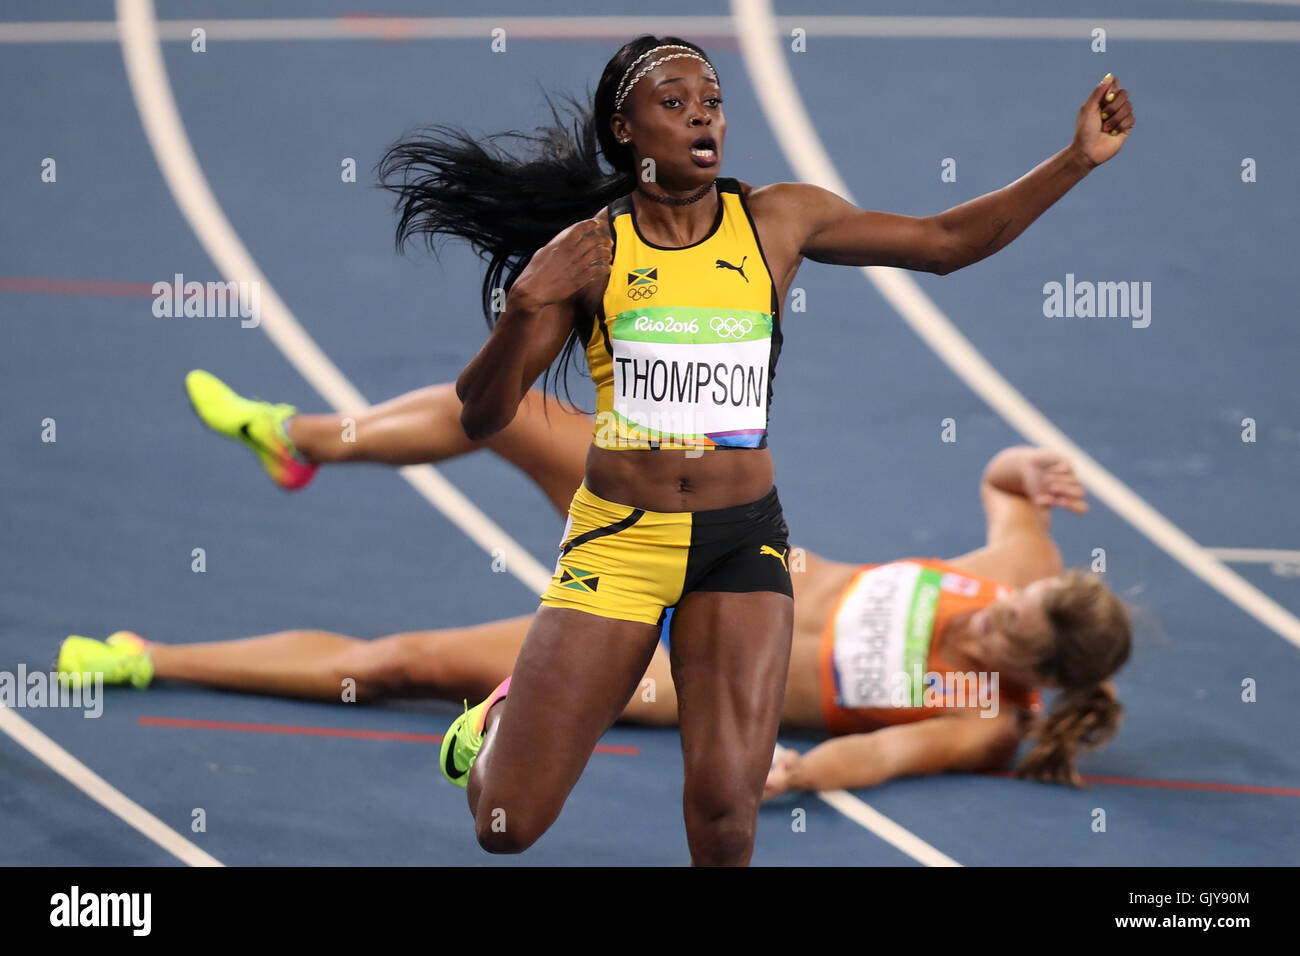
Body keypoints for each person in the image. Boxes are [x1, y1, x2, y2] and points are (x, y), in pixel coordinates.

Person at [60, 374, 1131, 796]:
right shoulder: (1020, 570)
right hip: (714, 543)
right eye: (1010, 600)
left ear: (1034, 673)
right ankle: (296, 440)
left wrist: (791, 778)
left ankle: (147, 654)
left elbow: (880, 754)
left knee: (395, 663)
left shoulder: (983, 718)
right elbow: (1001, 486)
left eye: (1008, 632)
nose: (992, 610)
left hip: (684, 665)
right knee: (510, 410)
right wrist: (1020, 463)